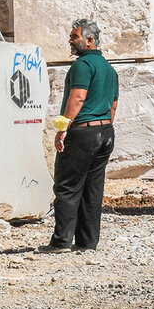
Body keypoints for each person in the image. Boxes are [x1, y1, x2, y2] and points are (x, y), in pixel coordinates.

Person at [39, 18, 119, 254]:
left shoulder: (82, 66)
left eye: (74, 36)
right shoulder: (109, 69)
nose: (70, 40)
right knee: (93, 189)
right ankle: (87, 242)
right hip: (105, 131)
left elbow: (78, 98)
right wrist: (103, 129)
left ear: (90, 40)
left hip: (83, 131)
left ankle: (61, 242)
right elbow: (113, 106)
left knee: (67, 186)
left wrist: (63, 128)